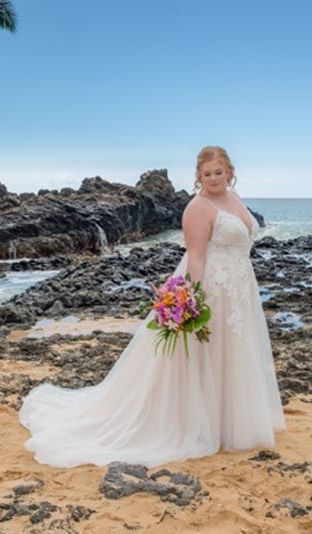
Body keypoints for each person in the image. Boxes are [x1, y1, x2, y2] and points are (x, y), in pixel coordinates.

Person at [18, 145, 286, 468]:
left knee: (234, 353)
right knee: (210, 355)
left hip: (240, 288)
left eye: (219, 172)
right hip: (214, 289)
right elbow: (197, 257)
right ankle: (201, 424)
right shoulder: (197, 208)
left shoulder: (234, 199)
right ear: (198, 176)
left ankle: (232, 421)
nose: (214, 178)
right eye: (207, 174)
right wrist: (193, 299)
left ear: (229, 171)